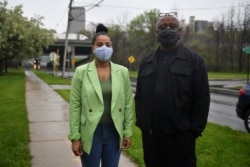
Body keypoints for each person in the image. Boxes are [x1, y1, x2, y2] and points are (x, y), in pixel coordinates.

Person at [134, 13, 210, 167]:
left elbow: (202, 99)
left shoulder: (194, 61)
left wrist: (193, 132)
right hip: (152, 137)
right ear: (157, 33)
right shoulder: (147, 60)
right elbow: (140, 96)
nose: (167, 29)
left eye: (172, 26)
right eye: (162, 27)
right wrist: (142, 123)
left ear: (180, 31)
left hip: (180, 138)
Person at [68, 24, 134, 167]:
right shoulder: (81, 72)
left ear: (112, 48)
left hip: (114, 131)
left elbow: (128, 103)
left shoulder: (122, 72)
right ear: (93, 48)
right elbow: (75, 106)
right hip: (91, 131)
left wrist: (127, 132)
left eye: (108, 44)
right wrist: (75, 138)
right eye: (99, 44)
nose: (104, 48)